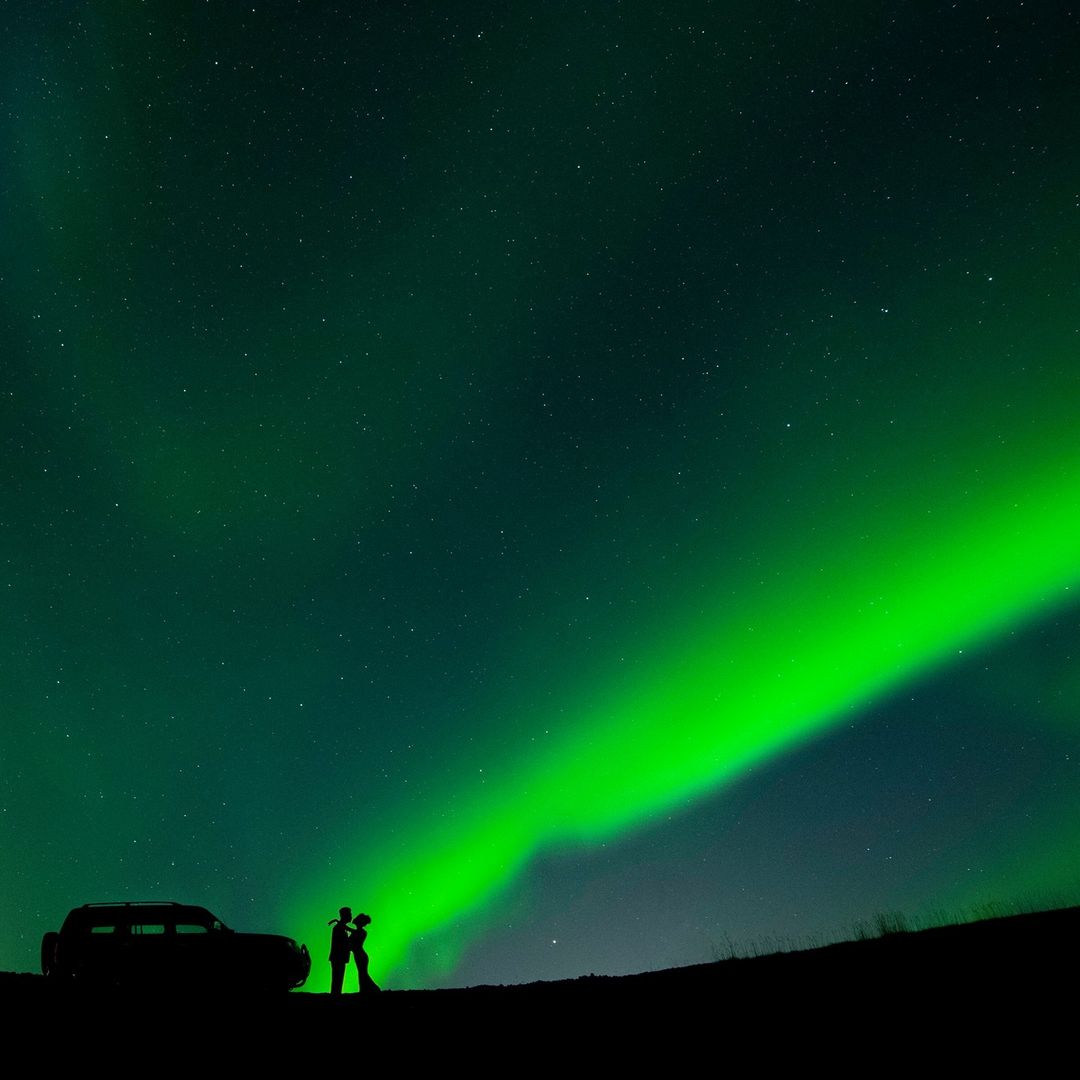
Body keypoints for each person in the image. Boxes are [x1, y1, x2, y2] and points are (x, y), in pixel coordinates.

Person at [349, 912, 381, 993]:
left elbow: (352, 936)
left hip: (360, 955)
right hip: (359, 955)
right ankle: (365, 990)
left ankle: (374, 989)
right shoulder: (358, 931)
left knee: (362, 973)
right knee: (362, 973)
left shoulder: (361, 932)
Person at [328, 906, 353, 995]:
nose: (351, 916)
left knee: (337, 980)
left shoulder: (341, 927)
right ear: (345, 915)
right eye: (350, 914)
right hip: (338, 958)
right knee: (337, 980)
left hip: (338, 958)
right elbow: (342, 943)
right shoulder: (339, 928)